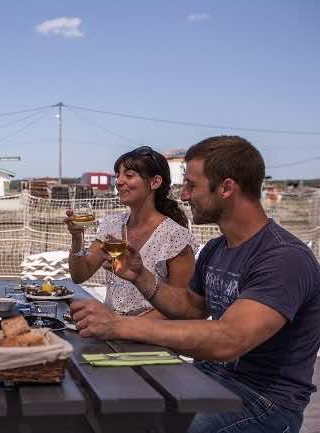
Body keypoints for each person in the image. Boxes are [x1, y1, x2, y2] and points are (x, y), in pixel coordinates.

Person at [70, 136, 320, 433]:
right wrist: (141, 276)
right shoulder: (217, 248)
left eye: (191, 185)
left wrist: (118, 325)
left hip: (264, 400)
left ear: (227, 188)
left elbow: (230, 339)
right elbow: (191, 309)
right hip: (209, 376)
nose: (184, 195)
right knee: (110, 412)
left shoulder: (283, 257)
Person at [67, 145, 197, 317]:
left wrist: (121, 326)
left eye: (129, 175)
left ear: (155, 182)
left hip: (151, 338)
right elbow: (80, 275)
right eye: (118, 175)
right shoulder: (112, 225)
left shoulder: (175, 236)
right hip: (110, 333)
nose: (119, 181)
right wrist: (77, 239)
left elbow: (182, 306)